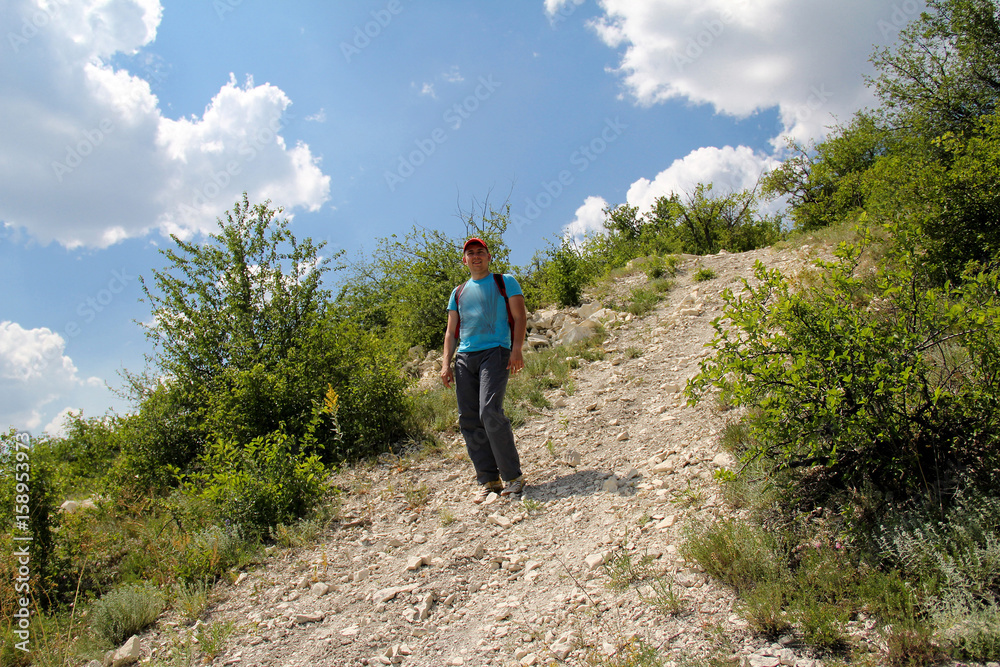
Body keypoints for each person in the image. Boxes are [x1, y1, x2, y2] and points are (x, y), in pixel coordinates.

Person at [441, 237, 528, 503]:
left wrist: (516, 349)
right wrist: (446, 363)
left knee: (489, 411)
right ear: (464, 260)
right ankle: (489, 480)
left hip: (496, 351)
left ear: (489, 257)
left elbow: (520, 316)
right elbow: (451, 331)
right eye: (471, 253)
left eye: (481, 252)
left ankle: (513, 477)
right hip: (465, 357)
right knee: (469, 419)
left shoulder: (506, 281)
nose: (476, 256)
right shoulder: (458, 292)